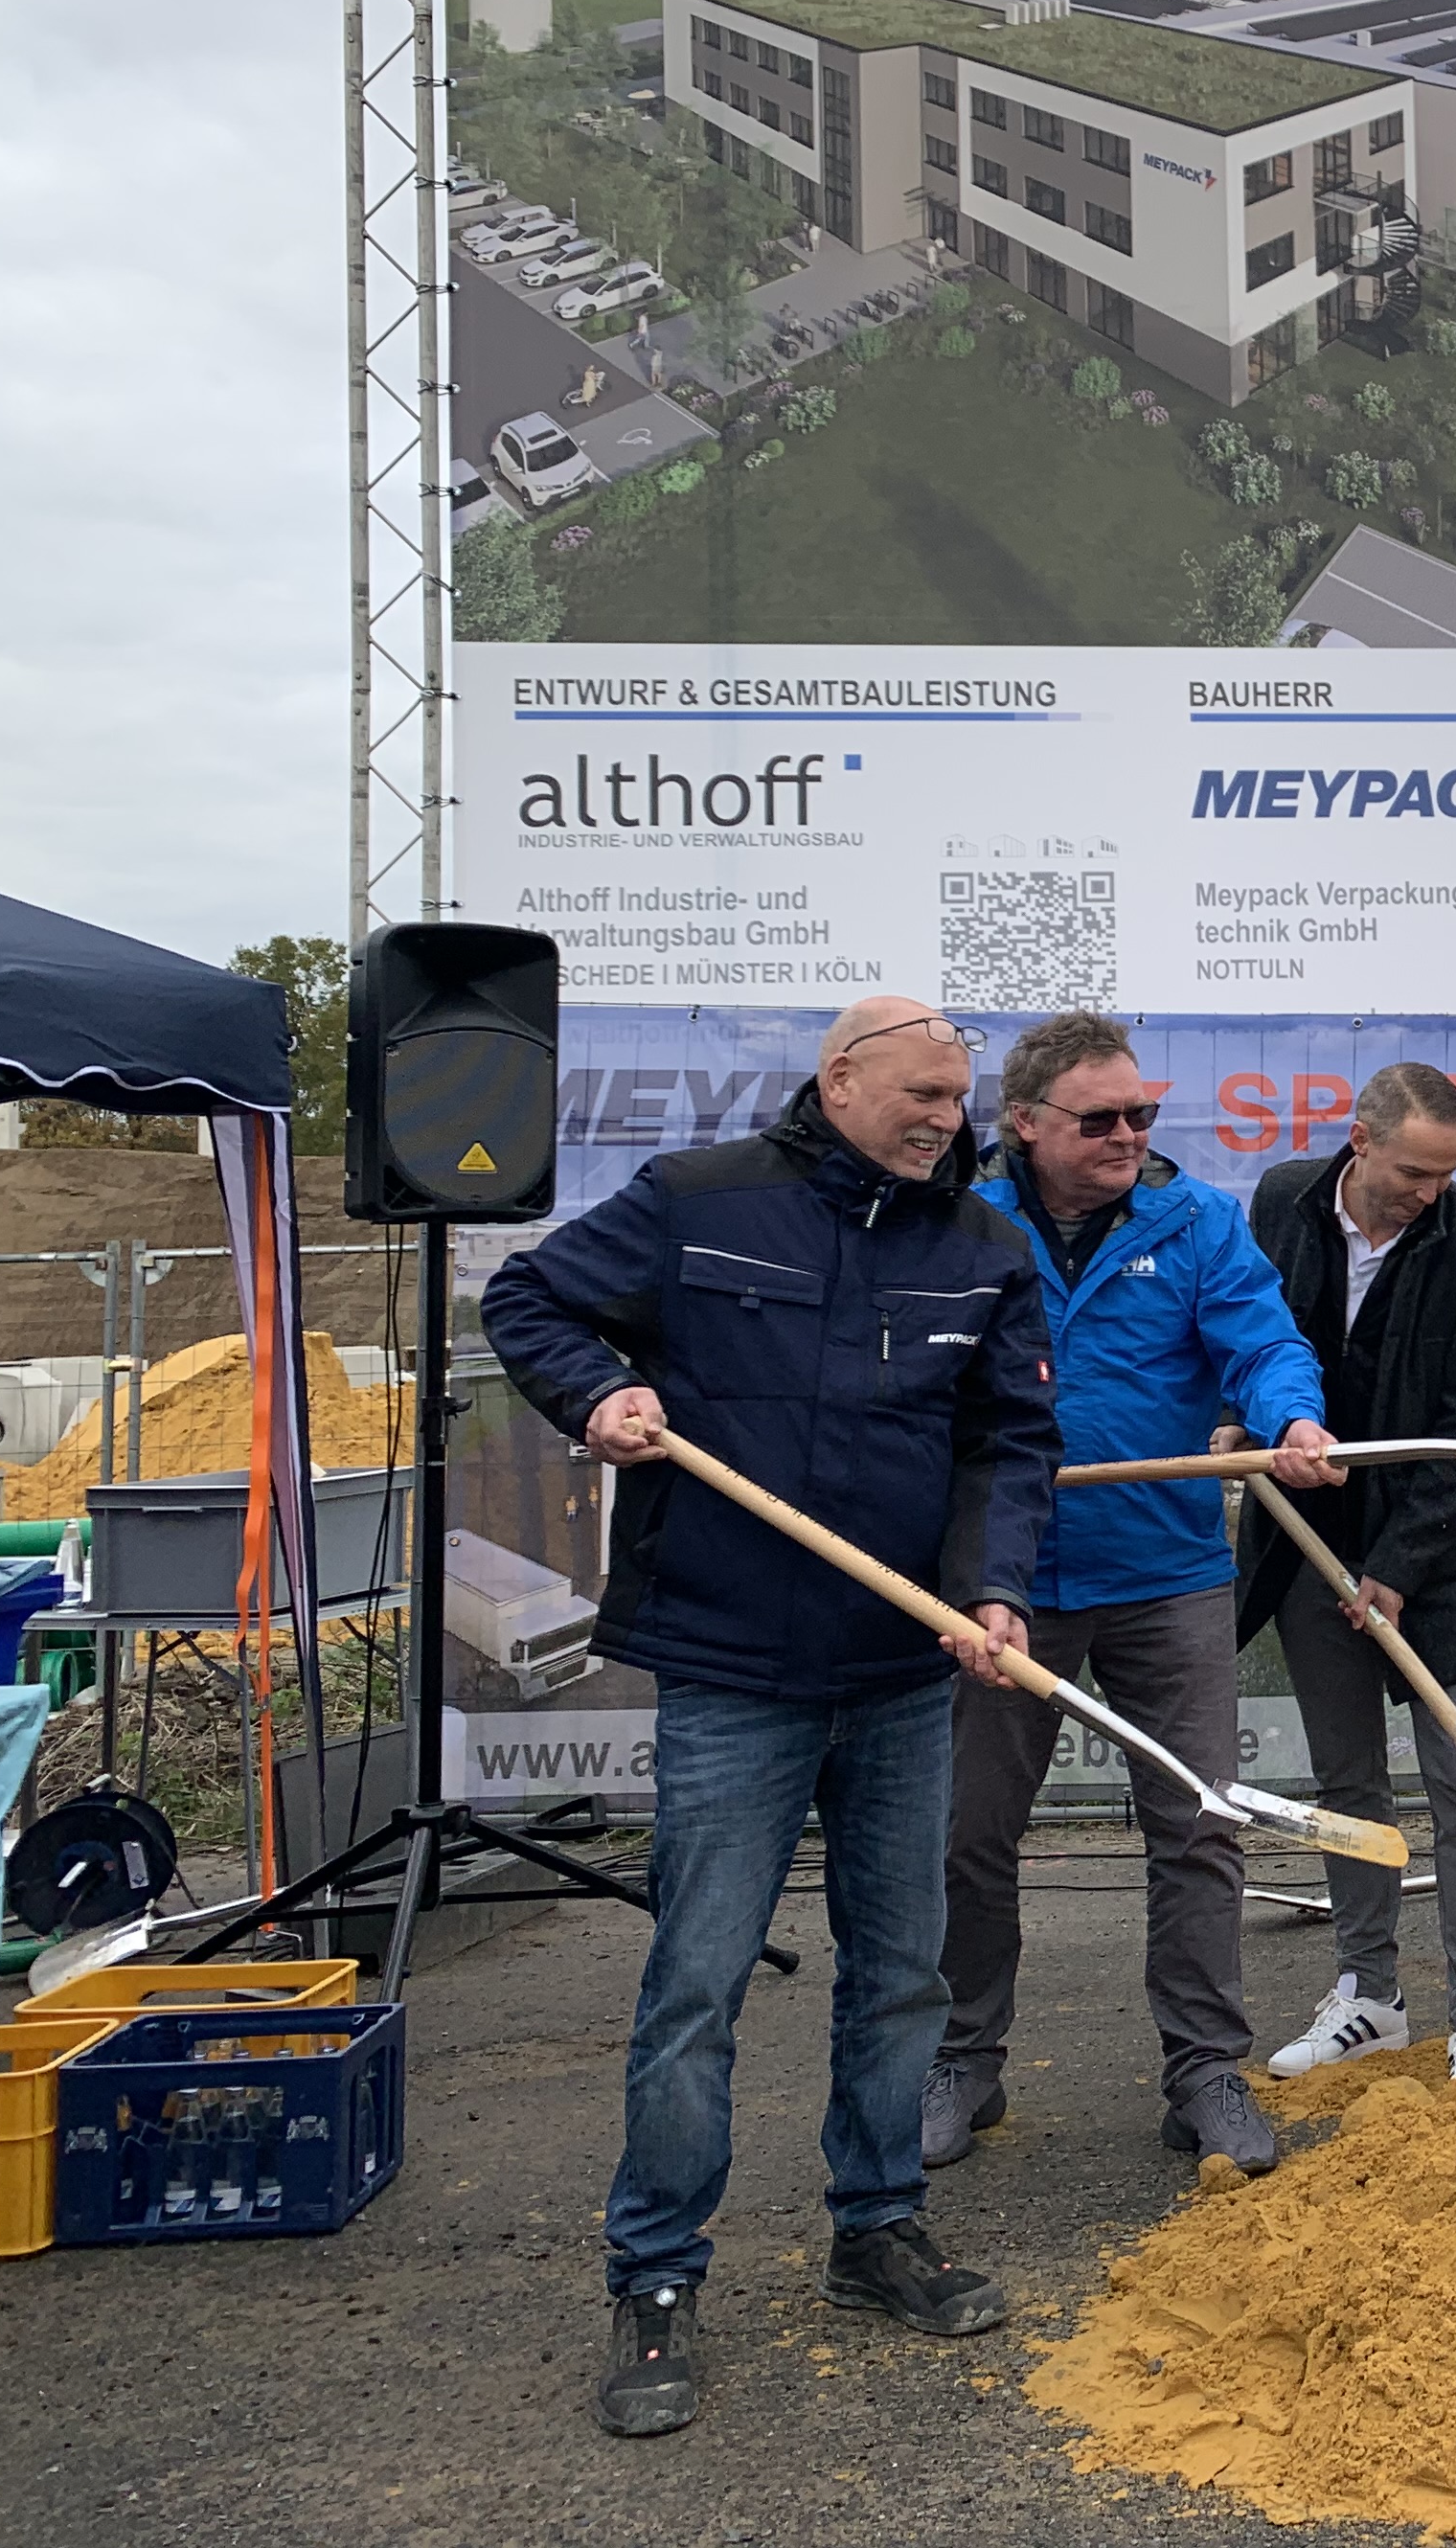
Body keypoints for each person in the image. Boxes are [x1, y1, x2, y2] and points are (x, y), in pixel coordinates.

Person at [480, 995, 1060, 2440]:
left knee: (902, 1975)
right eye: (921, 1095)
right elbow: (528, 1301)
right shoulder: (701, 1201)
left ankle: (878, 2227)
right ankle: (656, 2273)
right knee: (699, 1982)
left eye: (959, 1098)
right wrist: (598, 1394)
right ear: (841, 1079)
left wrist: (992, 1591)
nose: (946, 1121)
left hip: (902, 1670)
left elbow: (1007, 1444)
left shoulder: (983, 1248)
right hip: (732, 1666)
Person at [933, 1012, 1341, 2187]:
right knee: (968, 1832)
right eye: (1100, 1118)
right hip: (1001, 1582)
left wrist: (1290, 1418)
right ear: (1024, 1122)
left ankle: (1206, 2068)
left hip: (1166, 1571)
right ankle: (960, 2057)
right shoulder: (961, 1219)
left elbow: (1263, 1344)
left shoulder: (1196, 1220)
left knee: (1200, 1823)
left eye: (1142, 1115)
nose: (1128, 1135)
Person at [1237, 1061, 1456, 2081]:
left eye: (1446, 1174)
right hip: (1307, 1540)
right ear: (1359, 1142)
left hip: (1436, 1559)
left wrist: (1399, 1565)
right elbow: (1247, 1330)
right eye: (1413, 1172)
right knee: (1349, 1783)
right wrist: (1244, 1418)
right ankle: (1369, 1994)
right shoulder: (1284, 1201)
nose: (1429, 1193)